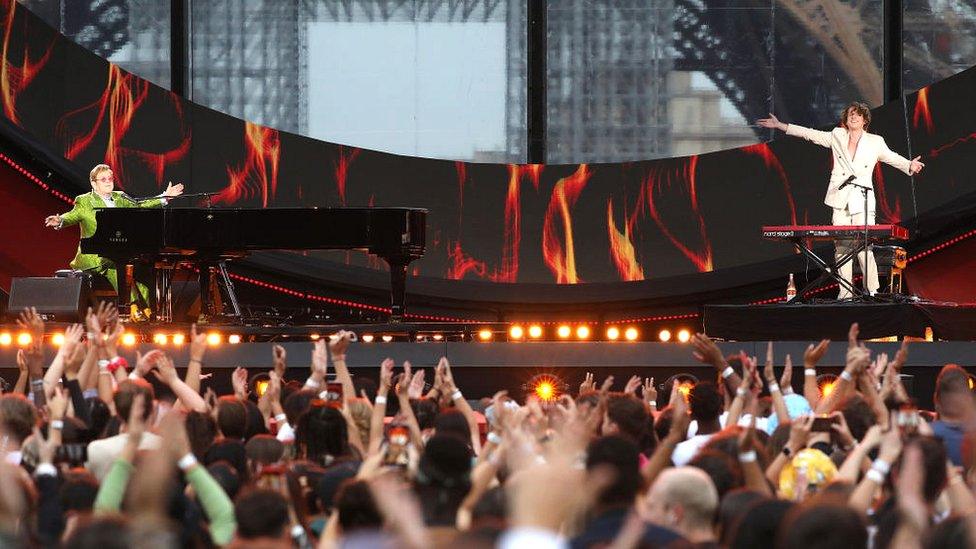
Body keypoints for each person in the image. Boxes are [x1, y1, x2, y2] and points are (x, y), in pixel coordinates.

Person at [757, 104, 925, 299]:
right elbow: (811, 134)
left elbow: (891, 157)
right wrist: (782, 126)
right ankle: (845, 293)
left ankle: (871, 291)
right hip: (840, 198)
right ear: (846, 119)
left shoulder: (875, 141)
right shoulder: (837, 135)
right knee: (842, 248)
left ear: (865, 120)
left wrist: (909, 164)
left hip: (862, 199)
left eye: (858, 115)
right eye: (850, 115)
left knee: (864, 246)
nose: (853, 118)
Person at [44, 164, 183, 318]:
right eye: (103, 179)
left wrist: (165, 197)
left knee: (136, 272)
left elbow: (140, 205)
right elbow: (72, 215)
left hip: (117, 254)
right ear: (94, 184)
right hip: (93, 257)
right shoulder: (84, 201)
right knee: (118, 267)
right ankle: (135, 308)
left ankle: (146, 311)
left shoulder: (120, 197)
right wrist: (60, 220)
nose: (108, 181)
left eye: (110, 178)